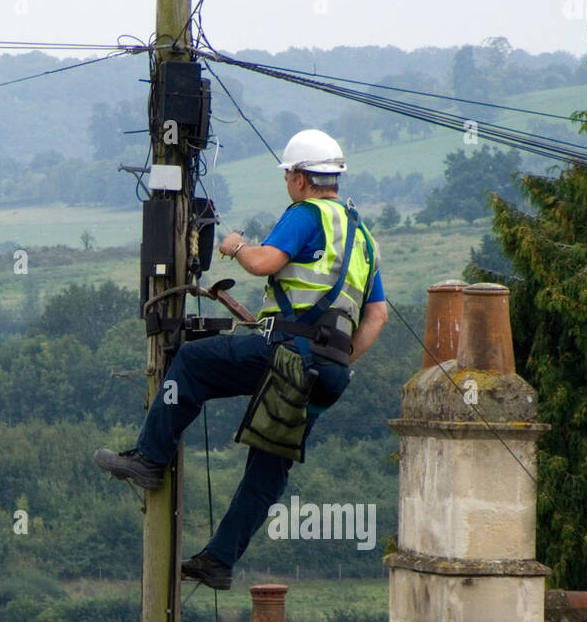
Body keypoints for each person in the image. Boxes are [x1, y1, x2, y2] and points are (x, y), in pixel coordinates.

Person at [95, 129, 388, 589]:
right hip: (329, 374)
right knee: (270, 464)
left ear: (299, 178)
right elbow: (377, 316)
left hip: (286, 352)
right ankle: (218, 561)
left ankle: (150, 459)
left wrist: (235, 247)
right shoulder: (362, 237)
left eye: (289, 175)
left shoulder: (307, 214)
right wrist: (339, 359)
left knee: (192, 363)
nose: (288, 183)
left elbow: (265, 262)